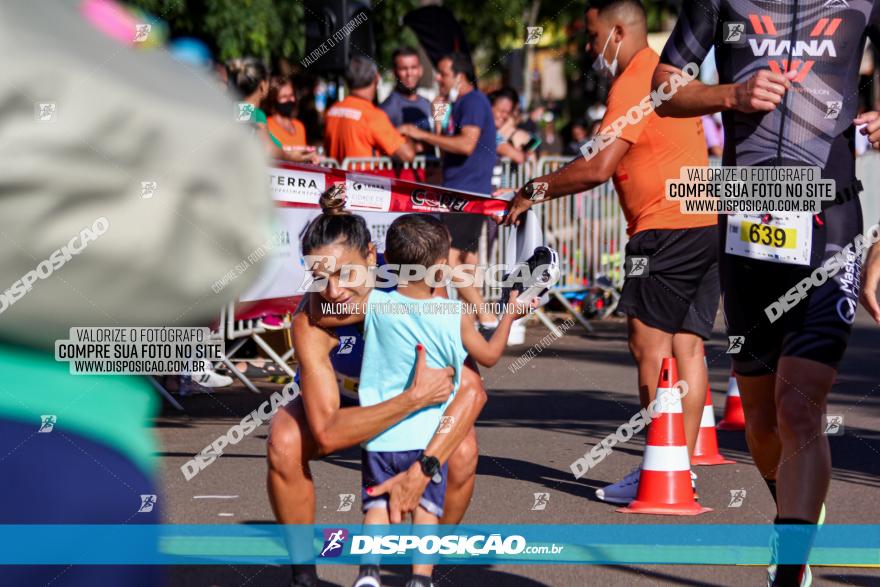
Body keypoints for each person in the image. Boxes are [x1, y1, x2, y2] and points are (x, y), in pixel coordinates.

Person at [653, 1, 880, 585]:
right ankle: (794, 506)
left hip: (830, 220)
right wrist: (730, 95)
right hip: (746, 225)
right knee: (759, 419)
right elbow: (662, 87)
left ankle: (790, 561)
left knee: (800, 405)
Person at [498, 0, 717, 504]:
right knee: (687, 347)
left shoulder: (635, 78)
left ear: (618, 32)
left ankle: (660, 473)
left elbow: (597, 167)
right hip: (703, 223)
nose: (592, 49)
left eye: (595, 38)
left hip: (665, 228)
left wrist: (537, 187)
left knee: (648, 346)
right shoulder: (663, 69)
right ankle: (677, 470)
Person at [267, 192, 487, 587]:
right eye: (320, 277)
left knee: (465, 449)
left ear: (372, 256)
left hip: (417, 415)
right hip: (357, 407)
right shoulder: (310, 322)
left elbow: (472, 390)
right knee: (285, 440)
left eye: (345, 274)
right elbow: (328, 432)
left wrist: (424, 468)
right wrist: (413, 397)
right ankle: (303, 575)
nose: (332, 292)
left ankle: (426, 567)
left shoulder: (414, 281)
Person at [352, 214, 529, 587]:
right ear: (441, 267)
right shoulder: (455, 314)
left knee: (377, 505)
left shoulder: (374, 306)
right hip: (429, 434)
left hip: (380, 431)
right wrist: (509, 315)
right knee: (427, 511)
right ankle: (420, 579)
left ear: (387, 257)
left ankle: (368, 574)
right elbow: (490, 356)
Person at [399, 53, 498, 335]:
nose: (438, 79)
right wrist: (438, 120)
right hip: (459, 190)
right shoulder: (457, 104)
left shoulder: (473, 101)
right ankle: (472, 324)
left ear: (460, 75)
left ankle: (485, 314)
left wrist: (420, 135)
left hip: (467, 192)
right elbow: (447, 147)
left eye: (443, 73)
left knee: (449, 258)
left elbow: (466, 144)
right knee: (466, 260)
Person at [323, 56, 416, 163]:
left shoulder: (332, 110)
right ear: (376, 78)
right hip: (362, 178)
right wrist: (408, 134)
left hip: (335, 178)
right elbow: (408, 155)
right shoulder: (372, 116)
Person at [227, 58, 318, 164]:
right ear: (263, 85)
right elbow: (269, 149)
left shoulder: (238, 110)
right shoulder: (252, 112)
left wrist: (292, 153)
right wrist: (290, 157)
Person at [381, 46, 433, 153]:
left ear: (420, 70)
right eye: (403, 69)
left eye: (413, 67)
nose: (409, 74)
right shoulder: (387, 108)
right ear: (395, 72)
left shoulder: (427, 103)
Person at [262, 75, 310, 150]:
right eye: (283, 97)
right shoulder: (266, 126)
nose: (289, 100)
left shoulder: (300, 126)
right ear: (274, 100)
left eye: (291, 95)